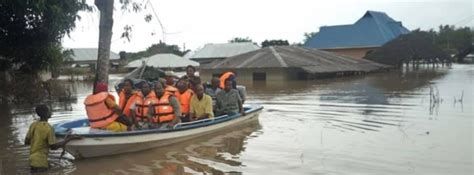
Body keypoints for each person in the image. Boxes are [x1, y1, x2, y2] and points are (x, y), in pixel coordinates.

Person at [25, 105, 81, 173]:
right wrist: (69, 139)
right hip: (41, 162)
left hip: (32, 160)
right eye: (49, 111)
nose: (51, 112)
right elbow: (53, 147)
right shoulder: (48, 128)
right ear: (46, 113)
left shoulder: (33, 125)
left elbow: (26, 142)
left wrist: (38, 141)